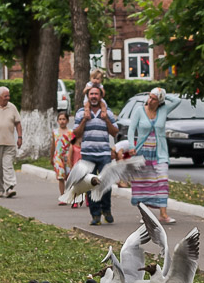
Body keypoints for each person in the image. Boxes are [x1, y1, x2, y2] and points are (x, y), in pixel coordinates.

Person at [124, 86, 178, 225]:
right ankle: (146, 215)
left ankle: (163, 214)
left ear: (159, 102)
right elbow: (131, 129)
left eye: (154, 99)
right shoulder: (139, 110)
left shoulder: (163, 110)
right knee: (144, 184)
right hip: (142, 153)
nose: (150, 101)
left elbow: (177, 101)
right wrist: (131, 146)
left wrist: (162, 93)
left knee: (162, 181)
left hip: (160, 154)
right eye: (150, 97)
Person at [71, 84, 119, 224]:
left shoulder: (107, 112)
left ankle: (106, 209)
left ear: (101, 96)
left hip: (104, 153)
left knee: (106, 183)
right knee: (90, 184)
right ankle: (95, 215)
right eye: (91, 94)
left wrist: (106, 120)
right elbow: (76, 133)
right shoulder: (81, 112)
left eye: (96, 94)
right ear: (88, 96)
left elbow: (115, 132)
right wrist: (84, 120)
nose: (93, 96)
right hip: (88, 153)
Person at [49, 110, 75, 203]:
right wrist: (51, 157)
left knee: (69, 177)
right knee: (60, 177)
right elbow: (53, 145)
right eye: (60, 119)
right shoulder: (55, 132)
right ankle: (62, 195)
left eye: (64, 119)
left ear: (67, 120)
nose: (62, 121)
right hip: (58, 157)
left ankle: (70, 195)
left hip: (68, 157)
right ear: (57, 121)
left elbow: (73, 145)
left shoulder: (71, 132)